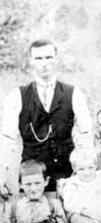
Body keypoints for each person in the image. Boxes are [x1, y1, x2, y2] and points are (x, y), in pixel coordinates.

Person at [0, 39, 94, 195]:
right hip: (32, 180)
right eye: (38, 58)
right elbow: (7, 140)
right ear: (31, 61)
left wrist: (85, 172)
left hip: (67, 177)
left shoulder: (74, 94)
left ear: (56, 59)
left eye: (49, 57)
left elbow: (85, 137)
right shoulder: (16, 96)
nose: (44, 63)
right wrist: (3, 174)